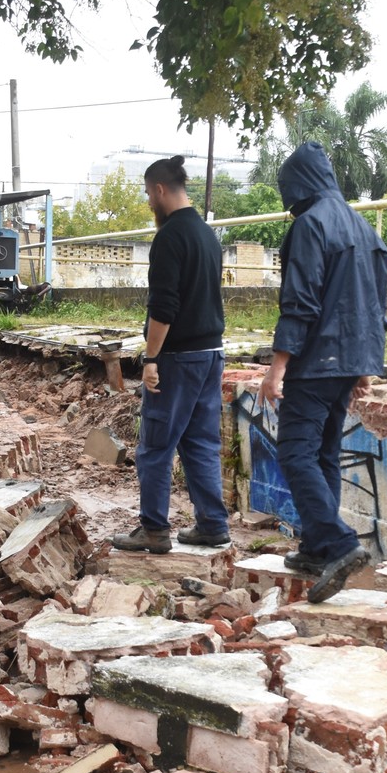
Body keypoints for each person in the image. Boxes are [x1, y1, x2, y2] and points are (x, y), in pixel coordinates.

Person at [258, 141, 387, 603]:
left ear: (296, 183)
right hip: (350, 361)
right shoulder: (364, 228)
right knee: (325, 454)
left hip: (315, 363)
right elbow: (378, 306)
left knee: (296, 453)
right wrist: (364, 366)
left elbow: (301, 302)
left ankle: (338, 543)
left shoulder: (309, 226)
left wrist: (277, 368)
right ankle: (317, 547)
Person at [110, 155, 230, 554]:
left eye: (148, 193)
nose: (148, 202)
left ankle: (154, 529)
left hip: (178, 359)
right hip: (211, 355)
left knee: (156, 445)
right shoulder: (207, 235)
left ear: (160, 189)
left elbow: (164, 307)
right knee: (199, 444)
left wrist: (150, 359)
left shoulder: (170, 237)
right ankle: (213, 525)